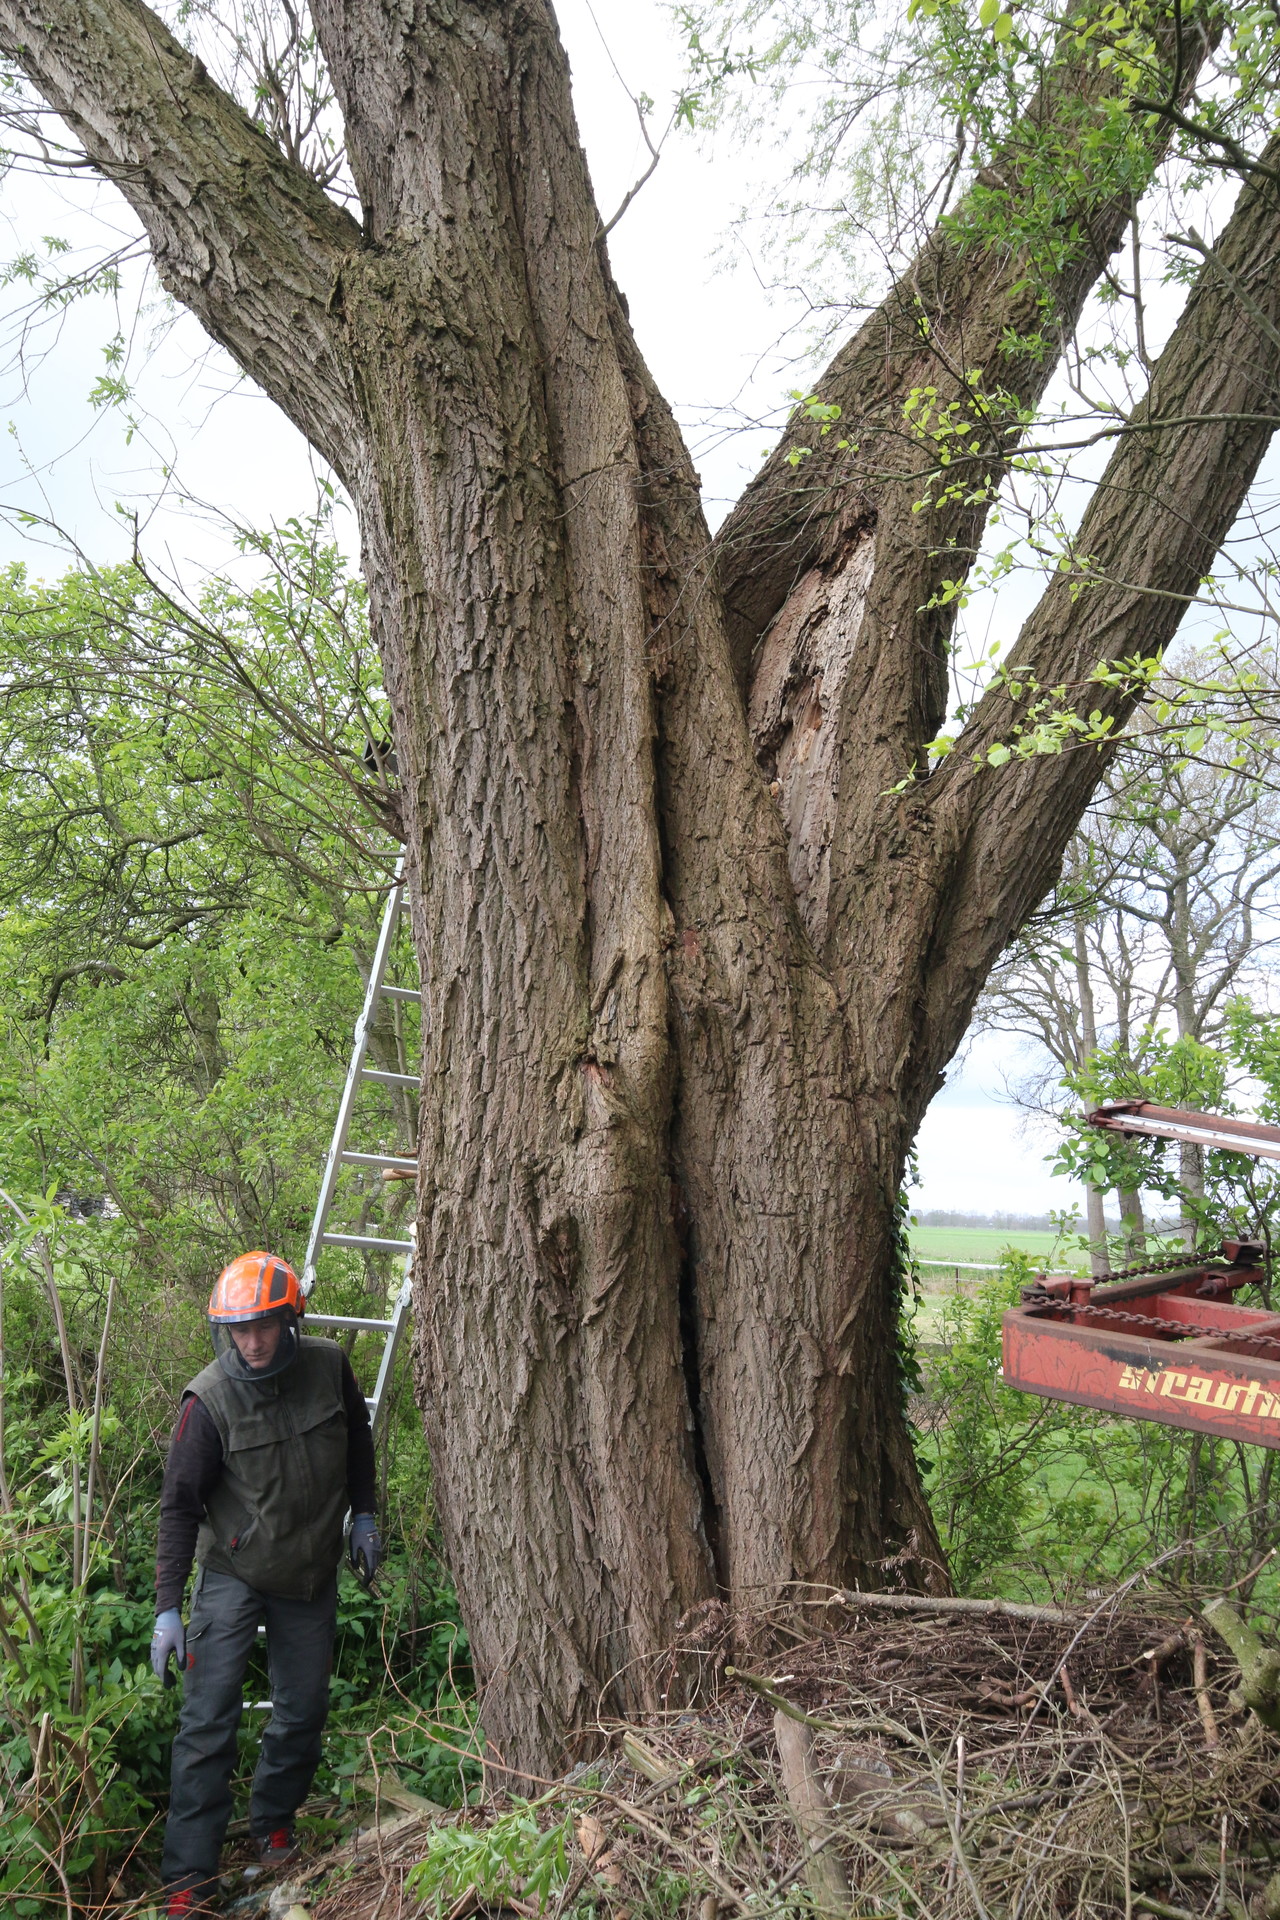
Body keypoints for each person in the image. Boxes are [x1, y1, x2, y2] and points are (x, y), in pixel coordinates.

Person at [151, 1252, 382, 1918]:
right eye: (238, 1329)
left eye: (263, 1326)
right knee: (207, 1719)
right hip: (233, 1570)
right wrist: (168, 1609)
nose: (250, 1341)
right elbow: (178, 1505)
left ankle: (273, 1825)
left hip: (307, 1568)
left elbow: (357, 1438)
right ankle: (189, 1878)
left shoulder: (328, 1366)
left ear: (289, 1319)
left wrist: (363, 1513)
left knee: (303, 1708)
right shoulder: (209, 1400)